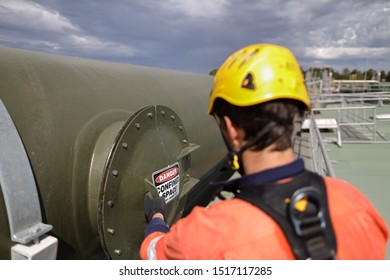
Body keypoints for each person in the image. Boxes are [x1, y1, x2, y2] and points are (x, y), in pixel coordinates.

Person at [140, 43, 388, 260]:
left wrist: (157, 218)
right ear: (294, 115)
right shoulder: (356, 203)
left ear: (230, 128)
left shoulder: (208, 234)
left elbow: (154, 256)